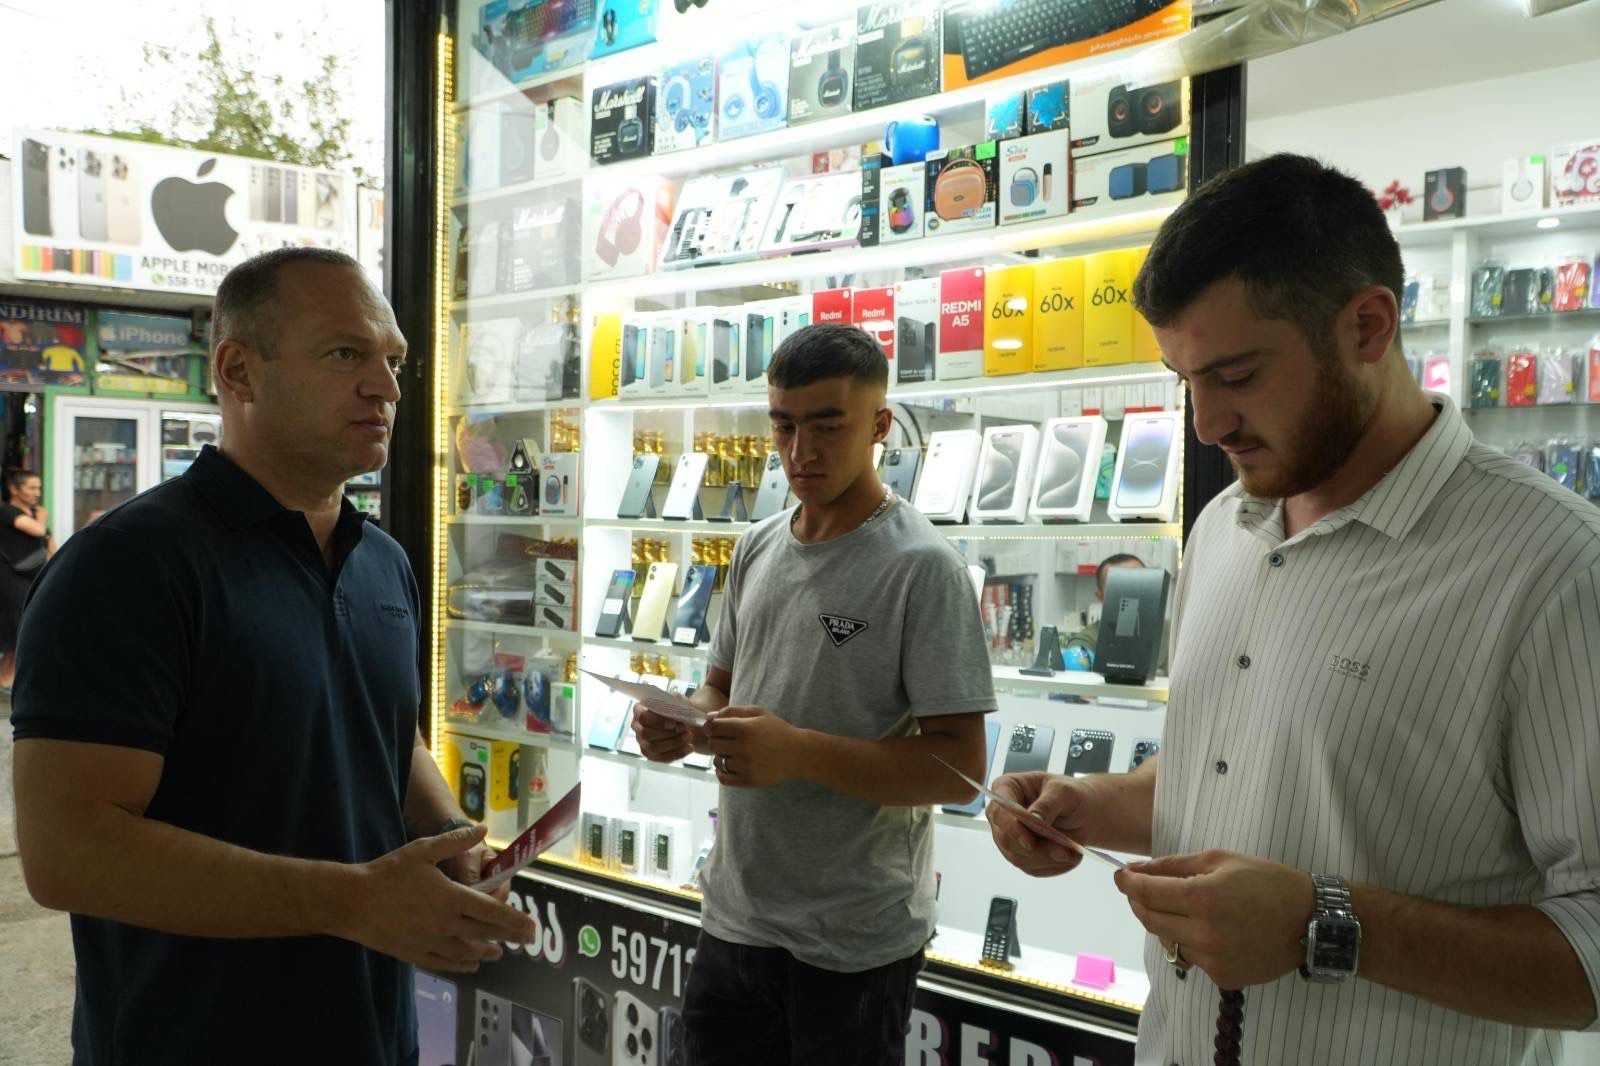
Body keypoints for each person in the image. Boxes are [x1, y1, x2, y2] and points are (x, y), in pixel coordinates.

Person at [986, 153, 1600, 1065]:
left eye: (1236, 375)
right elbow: (1235, 769)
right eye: (1185, 380)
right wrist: (1092, 803)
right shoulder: (1224, 528)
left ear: (1367, 326)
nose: (1205, 424)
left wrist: (1326, 924)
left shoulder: (1555, 568)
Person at [11, 247, 538, 1066]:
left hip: (373, 1035)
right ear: (237, 371)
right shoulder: (128, 566)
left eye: (393, 360)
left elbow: (381, 729)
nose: (387, 388)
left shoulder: (382, 562)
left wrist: (448, 835)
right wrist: (348, 901)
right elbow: (67, 852)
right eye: (345, 353)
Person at [630, 324, 996, 1065]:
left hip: (853, 941)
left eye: (828, 426)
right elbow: (720, 688)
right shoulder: (757, 545)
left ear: (880, 427)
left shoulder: (923, 567)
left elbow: (960, 771)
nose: (801, 452)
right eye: (784, 426)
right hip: (734, 915)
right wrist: (683, 723)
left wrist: (796, 752)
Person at [0, 469, 52, 692]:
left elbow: (49, 542)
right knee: (17, 630)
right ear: (14, 489)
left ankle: (7, 679)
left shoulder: (34, 514)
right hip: (12, 580)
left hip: (33, 578)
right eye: (31, 488)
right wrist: (42, 518)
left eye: (39, 488)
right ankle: (5, 680)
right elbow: (39, 530)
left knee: (23, 630)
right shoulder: (7, 512)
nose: (37, 493)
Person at [1063, 552, 1145, 658]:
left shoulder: (1167, 634)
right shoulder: (1087, 641)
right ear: (1101, 597)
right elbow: (1077, 659)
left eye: (1137, 583)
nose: (1130, 594)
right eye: (1119, 587)